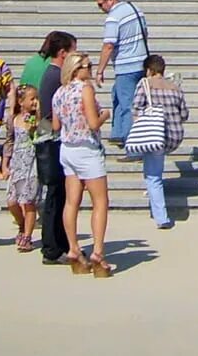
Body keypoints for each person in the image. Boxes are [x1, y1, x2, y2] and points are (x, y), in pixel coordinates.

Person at [53, 52, 113, 276]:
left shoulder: (60, 92)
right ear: (77, 69)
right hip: (86, 148)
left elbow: (56, 125)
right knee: (100, 202)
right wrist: (105, 114)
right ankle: (98, 252)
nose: (90, 69)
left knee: (71, 202)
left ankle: (73, 248)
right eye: (87, 66)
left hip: (67, 148)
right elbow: (93, 123)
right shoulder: (85, 90)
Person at [133, 54, 189, 230]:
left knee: (153, 176)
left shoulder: (145, 85)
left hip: (154, 135)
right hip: (173, 136)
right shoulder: (175, 87)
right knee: (155, 166)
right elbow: (185, 114)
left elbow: (135, 108)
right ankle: (152, 194)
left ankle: (161, 217)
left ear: (149, 70)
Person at [34, 32, 75, 265]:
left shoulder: (52, 74)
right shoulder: (55, 75)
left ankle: (59, 244)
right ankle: (52, 248)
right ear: (62, 54)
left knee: (59, 196)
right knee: (55, 196)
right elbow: (51, 112)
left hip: (52, 139)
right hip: (52, 141)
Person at [95, 0, 149, 144]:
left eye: (100, 4)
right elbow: (145, 33)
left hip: (126, 66)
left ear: (110, 0)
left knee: (127, 105)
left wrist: (100, 71)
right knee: (117, 95)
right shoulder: (135, 9)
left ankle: (131, 143)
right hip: (141, 62)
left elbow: (108, 45)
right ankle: (118, 132)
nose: (100, 9)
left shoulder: (114, 17)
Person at [4, 83, 41, 252]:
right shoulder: (13, 119)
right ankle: (21, 224)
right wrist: (5, 163)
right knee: (12, 202)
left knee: (28, 202)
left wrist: (37, 118)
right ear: (20, 101)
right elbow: (9, 141)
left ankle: (27, 236)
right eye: (32, 99)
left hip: (31, 164)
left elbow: (43, 131)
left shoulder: (36, 118)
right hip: (17, 163)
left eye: (37, 98)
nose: (35, 102)